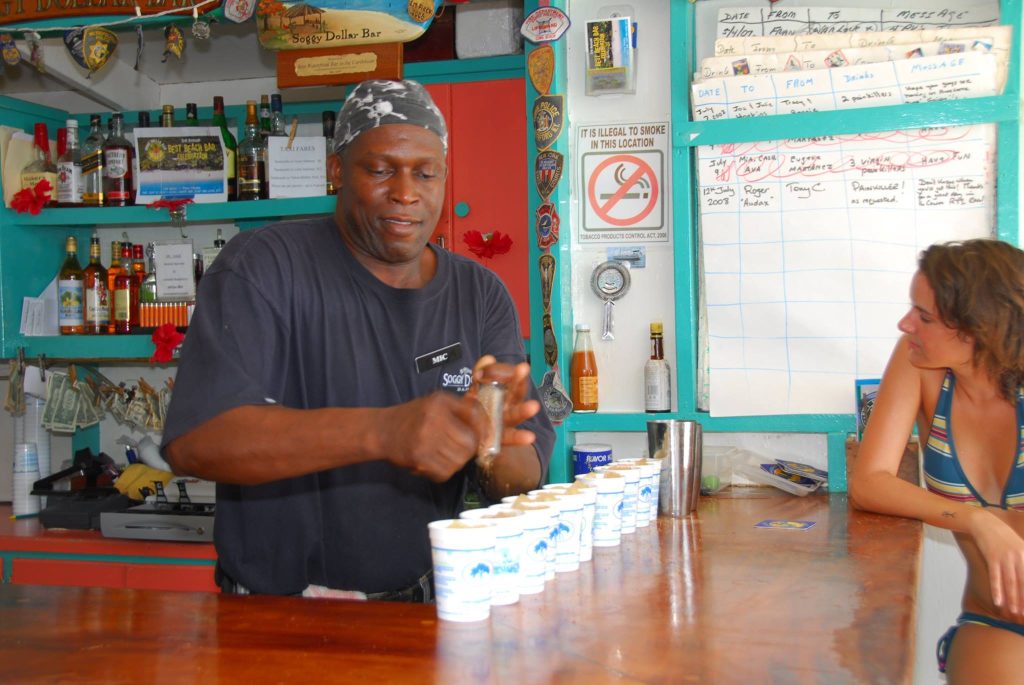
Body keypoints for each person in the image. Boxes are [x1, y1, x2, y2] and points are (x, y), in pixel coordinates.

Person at [161, 80, 555, 600]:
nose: (406, 192)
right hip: (278, 616)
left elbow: (520, 477)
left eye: (425, 172)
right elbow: (198, 441)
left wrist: (491, 438)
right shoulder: (264, 266)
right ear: (336, 171)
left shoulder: (478, 292)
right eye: (381, 169)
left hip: (428, 607)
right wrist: (383, 432)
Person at [850, 239, 1024, 683]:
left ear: (979, 329)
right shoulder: (918, 366)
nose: (905, 324)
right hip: (995, 621)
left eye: (924, 317)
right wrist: (977, 520)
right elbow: (869, 481)